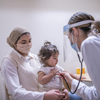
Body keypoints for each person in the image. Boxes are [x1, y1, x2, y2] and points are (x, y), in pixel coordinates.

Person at [0, 27, 69, 100]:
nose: (28, 44)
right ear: (14, 44)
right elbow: (16, 93)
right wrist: (44, 96)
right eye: (23, 42)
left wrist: (64, 89)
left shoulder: (35, 57)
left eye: (29, 41)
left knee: (75, 97)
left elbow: (53, 72)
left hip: (44, 95)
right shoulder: (9, 61)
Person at [61, 12, 100, 100]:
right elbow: (97, 93)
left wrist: (71, 81)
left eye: (69, 38)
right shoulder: (96, 41)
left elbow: (97, 96)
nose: (72, 43)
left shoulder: (89, 43)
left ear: (74, 31)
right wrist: (71, 81)